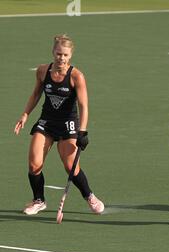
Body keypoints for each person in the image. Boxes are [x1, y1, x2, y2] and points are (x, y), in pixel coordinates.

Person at [14, 34, 104, 215]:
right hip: (46, 122)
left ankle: (89, 196)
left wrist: (83, 132)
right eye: (58, 54)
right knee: (34, 165)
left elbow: (83, 106)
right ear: (53, 52)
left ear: (70, 56)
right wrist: (25, 114)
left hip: (68, 124)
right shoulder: (42, 71)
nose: (61, 58)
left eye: (65, 55)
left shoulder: (76, 76)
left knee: (71, 167)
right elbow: (36, 94)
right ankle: (39, 200)